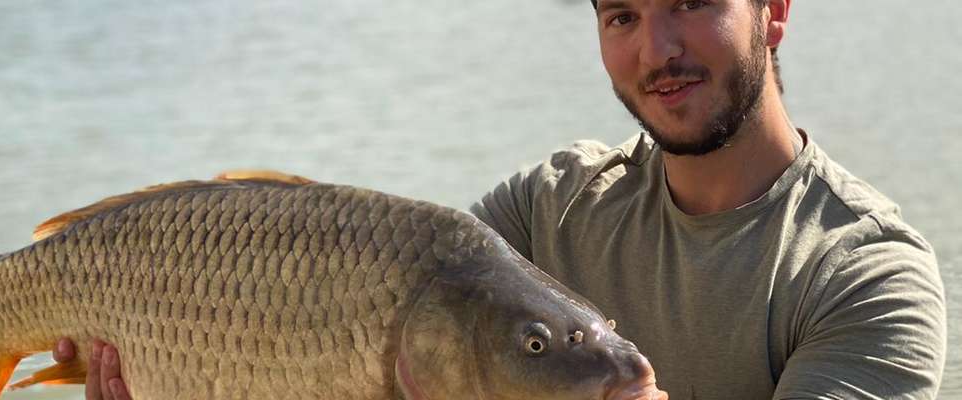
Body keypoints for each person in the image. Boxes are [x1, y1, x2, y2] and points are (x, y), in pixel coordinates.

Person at [55, 0, 947, 398]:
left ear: (775, 12)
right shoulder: (549, 206)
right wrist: (191, 362)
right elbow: (366, 336)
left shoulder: (867, 273)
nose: (656, 50)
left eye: (692, 2)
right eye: (622, 16)